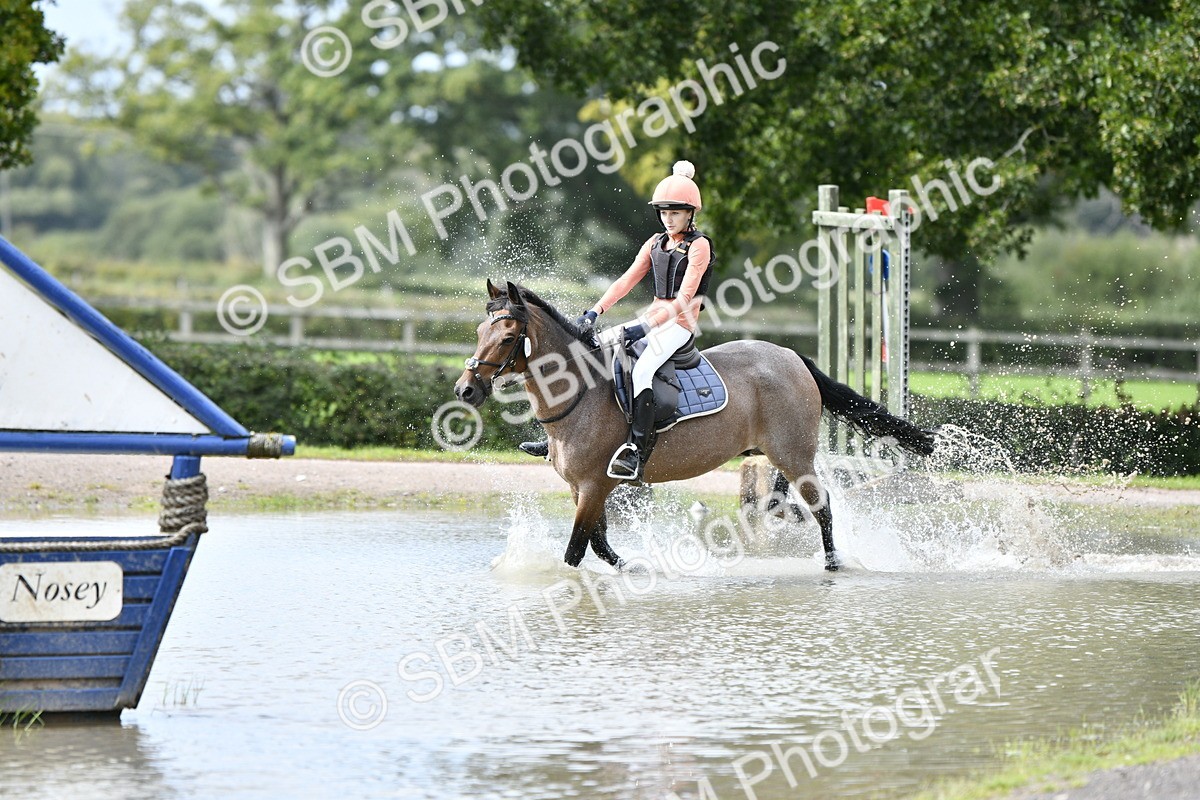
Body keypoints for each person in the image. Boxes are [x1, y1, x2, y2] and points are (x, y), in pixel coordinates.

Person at [520, 160, 714, 481]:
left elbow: (684, 300)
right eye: (664, 212)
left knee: (642, 371)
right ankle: (556, 433)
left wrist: (645, 326)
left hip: (679, 326)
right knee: (591, 351)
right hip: (651, 319)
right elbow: (625, 281)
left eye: (675, 213)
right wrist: (595, 311)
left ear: (690, 213)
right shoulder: (654, 243)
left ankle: (636, 450)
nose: (669, 219)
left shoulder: (699, 246)